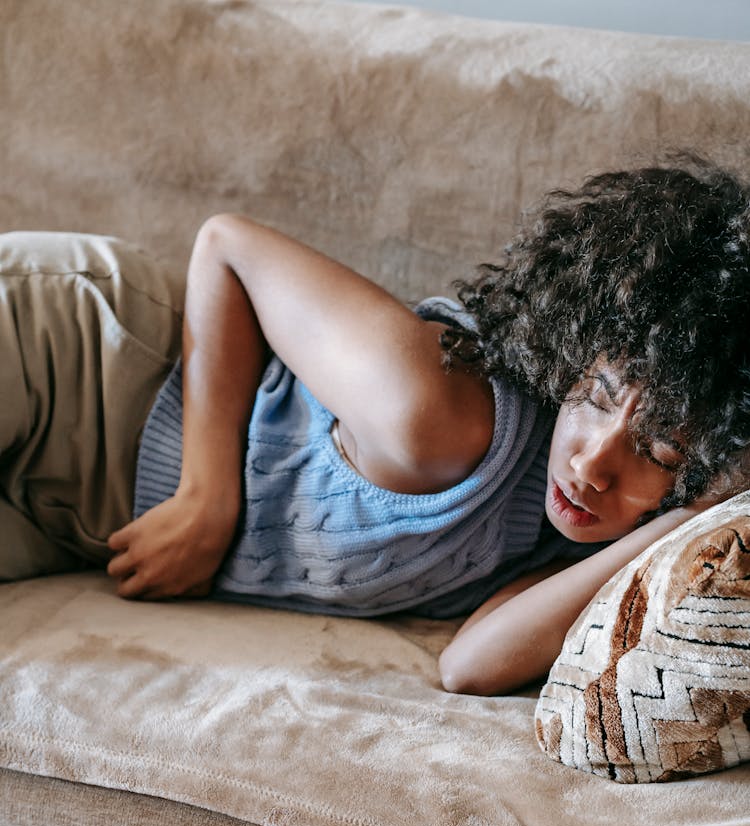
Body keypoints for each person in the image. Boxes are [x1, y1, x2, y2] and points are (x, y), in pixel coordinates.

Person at [3, 157, 749, 694]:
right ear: (572, 357)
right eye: (594, 396)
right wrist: (205, 496)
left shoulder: (571, 538)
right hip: (81, 363)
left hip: (73, 519)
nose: (593, 461)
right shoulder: (442, 413)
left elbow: (469, 665)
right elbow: (226, 249)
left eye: (656, 447)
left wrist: (681, 523)